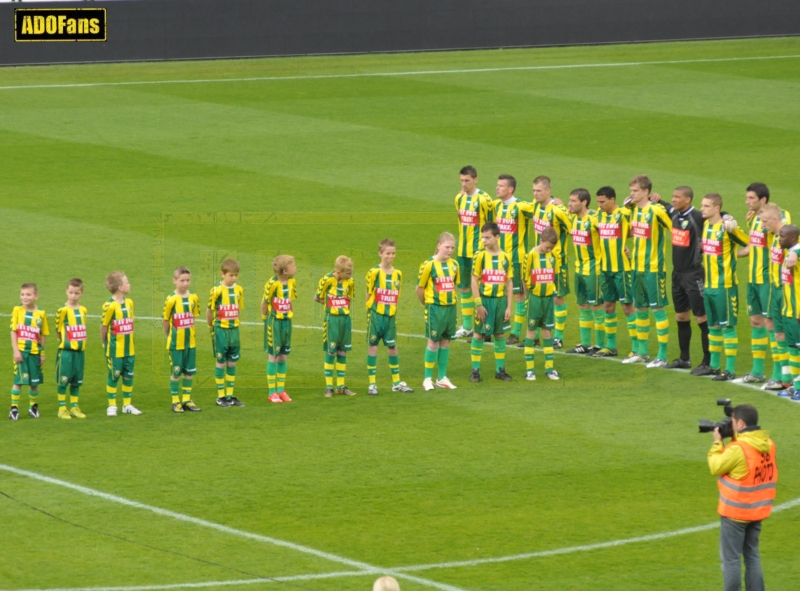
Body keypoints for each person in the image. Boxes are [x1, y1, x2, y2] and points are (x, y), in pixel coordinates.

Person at [708, 404, 777, 591]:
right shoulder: (769, 444)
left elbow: (716, 467)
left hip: (735, 513)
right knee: (752, 556)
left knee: (731, 560)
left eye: (732, 422)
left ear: (740, 422)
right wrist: (734, 438)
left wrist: (717, 443)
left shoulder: (738, 449)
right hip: (758, 510)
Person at [654, 186, 715, 374]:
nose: (673, 200)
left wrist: (728, 218)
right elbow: (666, 206)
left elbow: (718, 214)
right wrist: (658, 199)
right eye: (672, 196)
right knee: (681, 316)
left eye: (677, 197)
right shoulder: (674, 214)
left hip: (694, 274)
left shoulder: (697, 216)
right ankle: (684, 358)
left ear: (687, 200)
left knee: (701, 317)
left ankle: (708, 361)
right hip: (678, 274)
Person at [742, 183, 792, 385]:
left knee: (774, 326)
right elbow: (753, 246)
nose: (747, 202)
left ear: (763, 200)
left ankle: (781, 374)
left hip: (769, 281)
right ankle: (757, 370)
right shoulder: (753, 219)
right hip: (753, 279)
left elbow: (787, 235)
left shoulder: (781, 216)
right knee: (756, 322)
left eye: (751, 198)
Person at [622, 175, 672, 368]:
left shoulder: (657, 210)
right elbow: (633, 232)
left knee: (658, 309)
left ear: (646, 192)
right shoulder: (634, 210)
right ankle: (642, 353)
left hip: (654, 268)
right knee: (640, 309)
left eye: (635, 191)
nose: (632, 194)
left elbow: (675, 227)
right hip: (637, 267)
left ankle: (662, 356)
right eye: (631, 190)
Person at [700, 193, 749, 380]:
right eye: (702, 205)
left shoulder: (729, 227)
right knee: (712, 327)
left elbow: (751, 245)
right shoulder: (706, 226)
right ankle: (713, 366)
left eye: (706, 206)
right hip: (709, 285)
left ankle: (729, 370)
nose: (702, 209)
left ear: (717, 208)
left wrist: (734, 256)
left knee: (727, 327)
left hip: (725, 286)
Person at [365, 240, 413, 395]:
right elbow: (368, 293)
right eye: (387, 253)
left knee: (392, 347)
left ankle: (397, 383)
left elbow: (396, 295)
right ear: (380, 253)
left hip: (390, 317)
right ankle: (372, 384)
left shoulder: (398, 274)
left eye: (393, 253)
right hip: (376, 315)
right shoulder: (373, 272)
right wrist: (371, 312)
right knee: (373, 346)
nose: (390, 256)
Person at [492, 175, 535, 346]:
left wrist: (554, 201)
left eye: (501, 186)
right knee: (499, 293)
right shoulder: (496, 205)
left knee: (519, 295)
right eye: (497, 185)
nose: (497, 188)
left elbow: (540, 208)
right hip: (500, 259)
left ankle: (516, 332)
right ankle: (495, 328)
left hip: (517, 259)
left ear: (510, 189)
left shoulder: (521, 206)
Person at [593, 187, 635, 358]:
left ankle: (637, 349)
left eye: (603, 202)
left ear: (612, 199)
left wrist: (624, 241)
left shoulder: (624, 213)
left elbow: (636, 229)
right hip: (604, 268)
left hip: (622, 269)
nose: (600, 205)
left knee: (627, 307)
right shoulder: (598, 215)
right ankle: (610, 347)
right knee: (608, 306)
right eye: (598, 202)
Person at [453, 166, 494, 339]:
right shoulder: (458, 198)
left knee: (483, 288)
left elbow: (492, 226)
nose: (464, 184)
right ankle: (468, 327)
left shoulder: (484, 200)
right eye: (461, 180)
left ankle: (486, 327)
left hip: (479, 252)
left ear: (475, 180)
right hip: (463, 250)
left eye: (467, 181)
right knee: (464, 288)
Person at [530, 176, 571, 348]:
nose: (535, 194)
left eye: (539, 191)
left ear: (548, 191)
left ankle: (558, 337)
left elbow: (573, 228)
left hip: (557, 263)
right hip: (539, 262)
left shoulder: (558, 210)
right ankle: (540, 335)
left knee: (558, 298)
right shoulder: (534, 206)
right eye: (534, 190)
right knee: (540, 297)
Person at [469, 223, 513, 383]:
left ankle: (500, 370)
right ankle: (475, 371)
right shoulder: (480, 256)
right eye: (482, 237)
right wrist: (478, 304)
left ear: (497, 237)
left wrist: (509, 306)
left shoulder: (506, 257)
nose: (484, 241)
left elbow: (509, 282)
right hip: (485, 301)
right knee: (479, 334)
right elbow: (473, 280)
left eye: (487, 237)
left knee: (500, 334)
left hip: (500, 301)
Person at [417, 232, 460, 391]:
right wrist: (427, 304)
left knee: (446, 341)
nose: (450, 250)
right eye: (447, 247)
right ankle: (427, 378)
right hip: (434, 308)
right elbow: (419, 288)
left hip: (450, 308)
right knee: (433, 342)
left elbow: (454, 285)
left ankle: (441, 377)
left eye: (452, 247)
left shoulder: (454, 265)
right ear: (438, 246)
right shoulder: (428, 265)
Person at [565, 188, 605, 355]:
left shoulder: (595, 218)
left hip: (594, 269)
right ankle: (585, 344)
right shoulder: (571, 218)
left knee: (596, 306)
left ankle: (601, 345)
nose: (570, 204)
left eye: (573, 201)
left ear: (584, 202)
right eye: (570, 200)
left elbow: (609, 236)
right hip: (579, 269)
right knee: (582, 305)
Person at [760, 205, 794, 391]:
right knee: (776, 331)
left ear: (775, 220)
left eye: (765, 222)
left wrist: (796, 252)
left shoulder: (788, 234)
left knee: (791, 335)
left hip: (788, 292)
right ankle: (783, 377)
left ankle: (791, 378)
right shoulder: (774, 236)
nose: (763, 225)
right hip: (775, 290)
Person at [521, 227, 560, 380]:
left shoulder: (552, 256)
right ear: (541, 241)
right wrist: (527, 297)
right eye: (547, 246)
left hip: (548, 299)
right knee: (531, 332)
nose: (549, 249)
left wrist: (554, 293)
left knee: (547, 332)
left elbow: (554, 276)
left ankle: (549, 369)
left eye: (551, 248)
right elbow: (525, 277)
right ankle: (530, 370)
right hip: (535, 299)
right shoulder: (531, 255)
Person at [316, 255, 356, 397]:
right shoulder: (326, 280)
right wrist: (331, 305)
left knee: (342, 352)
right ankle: (328, 387)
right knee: (331, 351)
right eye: (348, 273)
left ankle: (340, 386)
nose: (350, 275)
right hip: (331, 320)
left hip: (345, 320)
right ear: (339, 272)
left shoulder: (350, 282)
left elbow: (349, 297)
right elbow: (318, 297)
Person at [101, 271, 140, 416]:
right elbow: (103, 326)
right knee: (114, 376)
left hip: (129, 349)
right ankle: (112, 406)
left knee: (128, 376)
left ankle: (127, 405)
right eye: (127, 282)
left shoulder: (130, 303)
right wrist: (104, 343)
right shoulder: (109, 305)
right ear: (120, 288)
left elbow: (131, 323)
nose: (129, 284)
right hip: (115, 349)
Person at [207, 259, 245, 407]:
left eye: (236, 275)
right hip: (220, 330)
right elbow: (209, 310)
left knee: (232, 362)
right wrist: (212, 327)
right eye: (231, 275)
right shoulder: (216, 290)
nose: (234, 278)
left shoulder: (239, 290)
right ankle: (220, 396)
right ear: (222, 274)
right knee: (221, 362)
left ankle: (229, 395)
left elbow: (238, 308)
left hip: (234, 330)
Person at [163, 266, 201, 413]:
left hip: (190, 342)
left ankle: (186, 400)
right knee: (176, 372)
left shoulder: (193, 298)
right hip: (176, 343)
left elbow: (193, 318)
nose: (185, 283)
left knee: (189, 372)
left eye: (188, 280)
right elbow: (166, 320)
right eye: (182, 280)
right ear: (175, 281)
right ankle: (175, 401)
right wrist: (169, 336)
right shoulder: (171, 299)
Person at [9, 283, 48, 420]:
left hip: (35, 353)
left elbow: (43, 334)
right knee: (19, 380)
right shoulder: (17, 310)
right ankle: (14, 408)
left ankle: (33, 407)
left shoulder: (41, 313)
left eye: (28, 294)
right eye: (22, 294)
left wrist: (42, 353)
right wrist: (16, 350)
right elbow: (13, 331)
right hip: (21, 352)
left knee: (34, 382)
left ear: (36, 296)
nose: (24, 297)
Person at [262, 255, 297, 403]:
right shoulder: (272, 284)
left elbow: (289, 301)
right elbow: (264, 303)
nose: (296, 268)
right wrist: (266, 321)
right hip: (274, 323)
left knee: (283, 356)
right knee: (274, 356)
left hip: (286, 322)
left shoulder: (292, 282)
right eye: (293, 265)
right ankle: (272, 392)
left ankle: (281, 390)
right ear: (284, 270)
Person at [54, 278, 87, 419]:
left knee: (76, 381)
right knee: (64, 380)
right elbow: (57, 329)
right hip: (66, 352)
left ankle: (74, 407)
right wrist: (65, 342)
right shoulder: (62, 310)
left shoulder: (83, 310)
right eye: (71, 292)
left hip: (79, 353)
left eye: (77, 293)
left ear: (82, 293)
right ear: (66, 292)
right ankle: (62, 408)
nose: (73, 296)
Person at [777, 224, 800, 400]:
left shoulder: (795, 253)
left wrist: (796, 252)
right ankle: (797, 386)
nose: (779, 239)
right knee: (793, 349)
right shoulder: (787, 251)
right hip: (788, 309)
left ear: (793, 238)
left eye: (782, 236)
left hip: (797, 311)